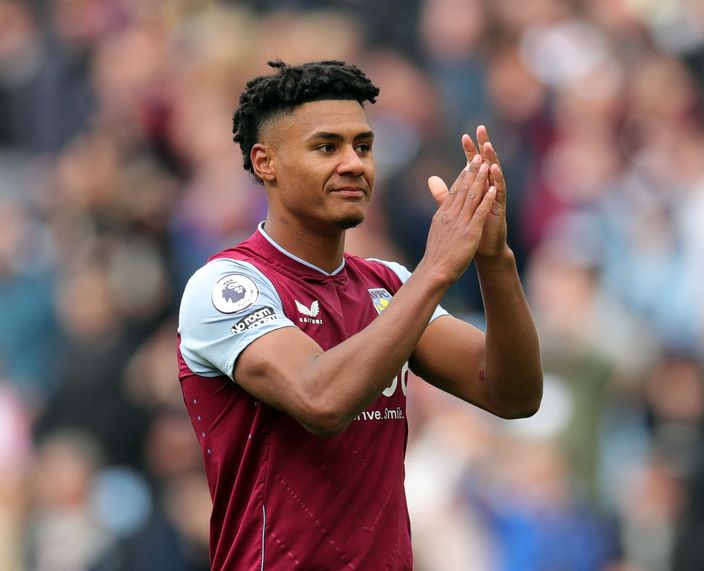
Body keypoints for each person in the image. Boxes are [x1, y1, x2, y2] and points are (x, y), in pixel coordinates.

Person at [177, 59, 543, 570]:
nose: (354, 163)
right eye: (327, 147)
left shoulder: (388, 285)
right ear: (266, 162)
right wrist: (436, 267)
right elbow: (322, 399)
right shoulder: (228, 287)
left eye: (364, 147)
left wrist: (494, 260)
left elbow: (514, 394)